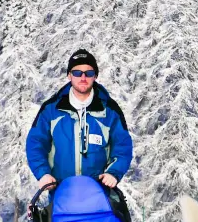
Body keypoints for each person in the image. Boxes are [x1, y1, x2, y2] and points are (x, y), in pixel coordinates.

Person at [25, 48, 133, 193]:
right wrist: (43, 174)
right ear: (69, 75)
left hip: (99, 193)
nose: (83, 78)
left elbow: (123, 146)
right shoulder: (51, 109)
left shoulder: (110, 111)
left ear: (95, 76)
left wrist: (113, 172)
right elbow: (35, 143)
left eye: (88, 73)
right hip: (61, 193)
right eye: (77, 73)